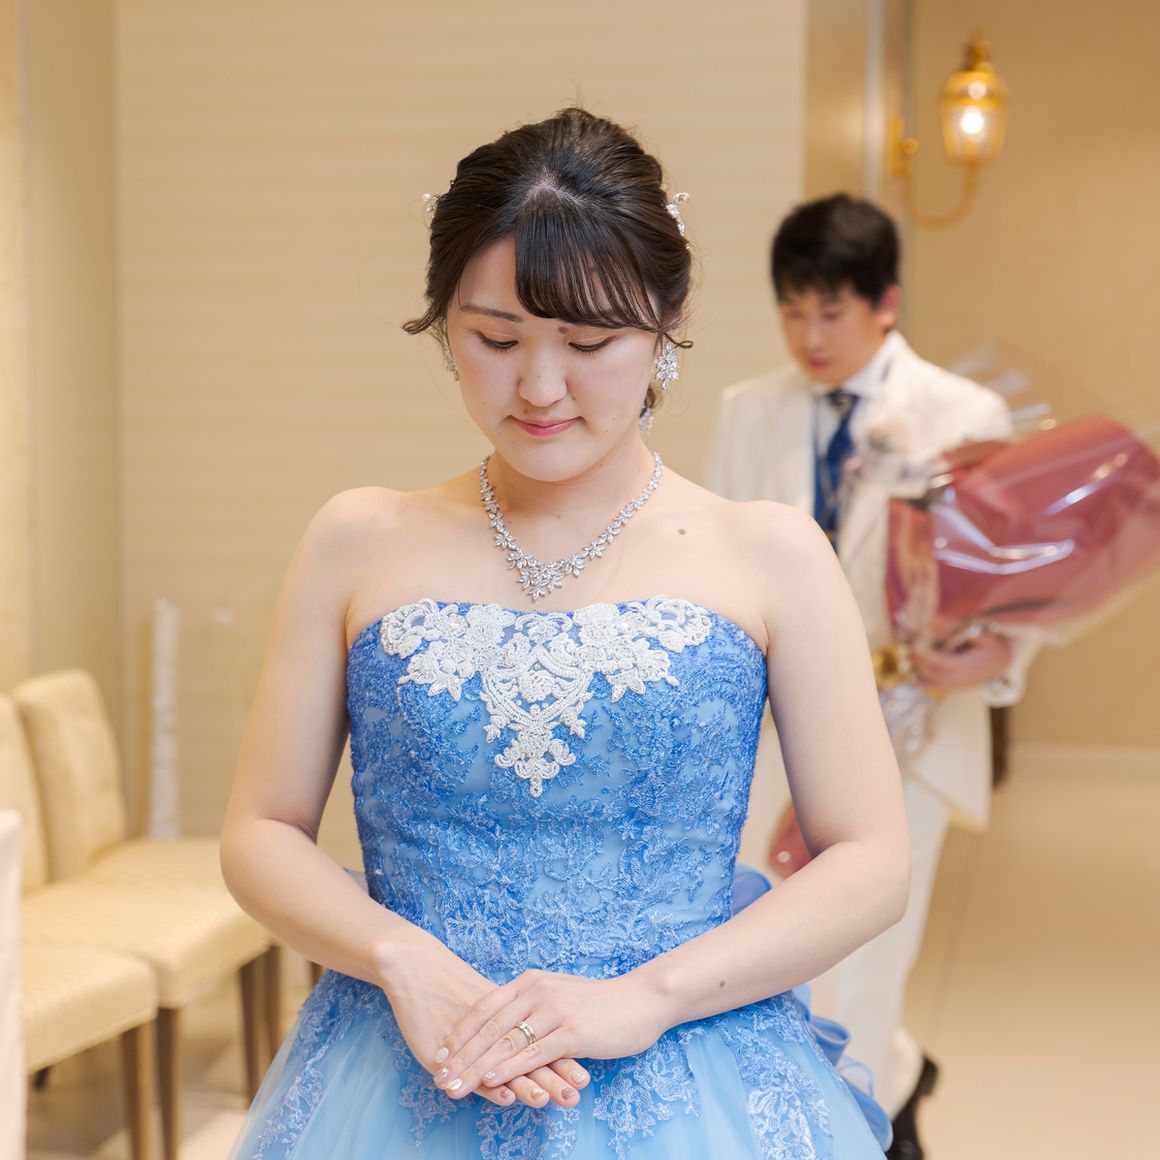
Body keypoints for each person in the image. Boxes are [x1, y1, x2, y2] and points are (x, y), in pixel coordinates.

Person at [221, 111, 910, 1159]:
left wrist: (645, 997)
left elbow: (870, 859)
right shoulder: (355, 540)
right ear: (442, 323)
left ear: (666, 323)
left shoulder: (769, 553)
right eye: (495, 340)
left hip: (686, 1071)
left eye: (589, 344)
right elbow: (261, 831)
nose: (539, 388)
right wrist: (403, 960)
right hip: (404, 1058)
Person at [706, 193, 1034, 1158]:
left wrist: (1001, 652)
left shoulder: (964, 413)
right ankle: (885, 1079)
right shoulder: (747, 411)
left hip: (909, 720)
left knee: (868, 953)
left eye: (831, 312)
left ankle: (866, 1127)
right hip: (773, 731)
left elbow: (1010, 582)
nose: (809, 336)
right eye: (792, 312)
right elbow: (719, 562)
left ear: (885, 304)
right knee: (773, 944)